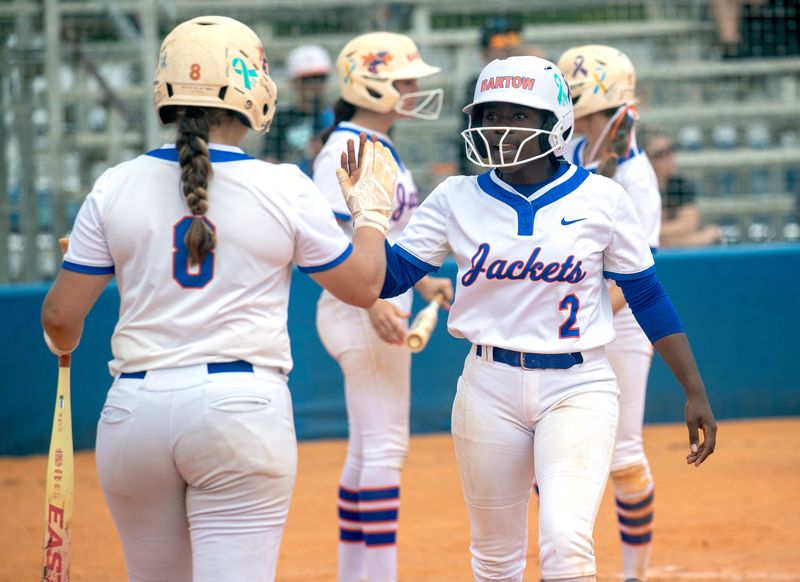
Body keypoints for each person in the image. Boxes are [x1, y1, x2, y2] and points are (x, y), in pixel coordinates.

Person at [40, 16, 399, 582]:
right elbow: (364, 286)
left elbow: (60, 318)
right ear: (252, 92)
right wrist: (372, 213)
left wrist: (80, 310)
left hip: (133, 410)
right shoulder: (285, 187)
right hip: (241, 411)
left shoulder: (114, 184)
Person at [378, 54, 717, 582]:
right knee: (495, 560)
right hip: (488, 384)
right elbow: (387, 279)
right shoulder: (455, 197)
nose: (498, 127)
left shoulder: (604, 197)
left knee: (566, 542)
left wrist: (693, 386)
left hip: (579, 384)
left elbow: (648, 296)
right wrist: (366, 221)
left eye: (517, 113)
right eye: (489, 115)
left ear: (554, 125)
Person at [312, 31, 453, 582]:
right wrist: (371, 303)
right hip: (358, 310)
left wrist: (425, 285)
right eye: (404, 79)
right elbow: (331, 240)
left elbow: (393, 236)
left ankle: (357, 574)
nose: (415, 89)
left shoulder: (373, 144)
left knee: (368, 446)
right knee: (386, 447)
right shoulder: (348, 148)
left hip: (368, 305)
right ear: (370, 84)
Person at [557, 44, 661, 582]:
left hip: (616, 324)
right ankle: (567, 561)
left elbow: (632, 281)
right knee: (551, 454)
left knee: (621, 458)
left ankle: (634, 574)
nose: (567, 111)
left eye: (575, 101)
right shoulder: (576, 150)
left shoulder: (636, 179)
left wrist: (579, 318)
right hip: (573, 319)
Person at [459, 16, 523, 175]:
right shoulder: (476, 88)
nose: (508, 46)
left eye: (513, 39)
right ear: (484, 53)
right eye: (498, 42)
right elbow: (469, 142)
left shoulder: (539, 80)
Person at [261, 44, 334, 175]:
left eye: (319, 78)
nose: (314, 85)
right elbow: (268, 165)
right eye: (307, 79)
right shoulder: (279, 119)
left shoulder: (338, 115)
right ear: (293, 82)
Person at [646, 132, 722, 247]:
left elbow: (689, 224)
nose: (669, 157)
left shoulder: (680, 185)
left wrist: (658, 235)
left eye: (670, 150)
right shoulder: (639, 188)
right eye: (660, 154)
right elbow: (641, 233)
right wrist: (700, 238)